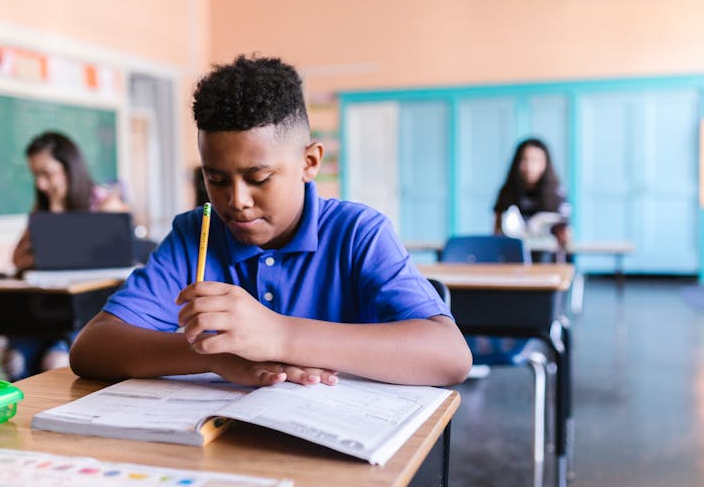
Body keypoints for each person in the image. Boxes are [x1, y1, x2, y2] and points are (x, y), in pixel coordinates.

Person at [70, 55, 472, 387]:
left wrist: (278, 335)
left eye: (259, 178)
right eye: (216, 179)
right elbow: (93, 347)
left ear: (309, 162)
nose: (237, 201)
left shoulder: (358, 233)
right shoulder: (197, 234)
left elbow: (449, 356)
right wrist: (216, 357)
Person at [3, 131, 128, 381]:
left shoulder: (105, 205)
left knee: (54, 361)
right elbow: (18, 258)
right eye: (35, 175)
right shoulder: (43, 208)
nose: (40, 184)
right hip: (46, 309)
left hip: (90, 311)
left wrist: (52, 248)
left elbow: (117, 262)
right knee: (13, 361)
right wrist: (55, 214)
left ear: (69, 167)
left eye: (47, 174)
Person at [493, 138, 571, 258]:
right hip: (513, 256)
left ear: (546, 163)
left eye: (536, 160)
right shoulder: (506, 192)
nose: (530, 166)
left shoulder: (557, 193)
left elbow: (566, 236)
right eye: (525, 160)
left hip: (547, 258)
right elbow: (496, 233)